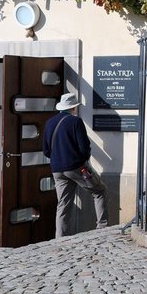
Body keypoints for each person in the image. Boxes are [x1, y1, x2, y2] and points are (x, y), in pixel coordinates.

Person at [43, 92, 108, 237]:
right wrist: (82, 161)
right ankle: (102, 227)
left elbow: (46, 150)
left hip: (57, 169)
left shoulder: (50, 122)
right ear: (73, 108)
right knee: (99, 191)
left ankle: (61, 236)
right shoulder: (75, 122)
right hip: (76, 167)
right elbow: (84, 147)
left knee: (63, 203)